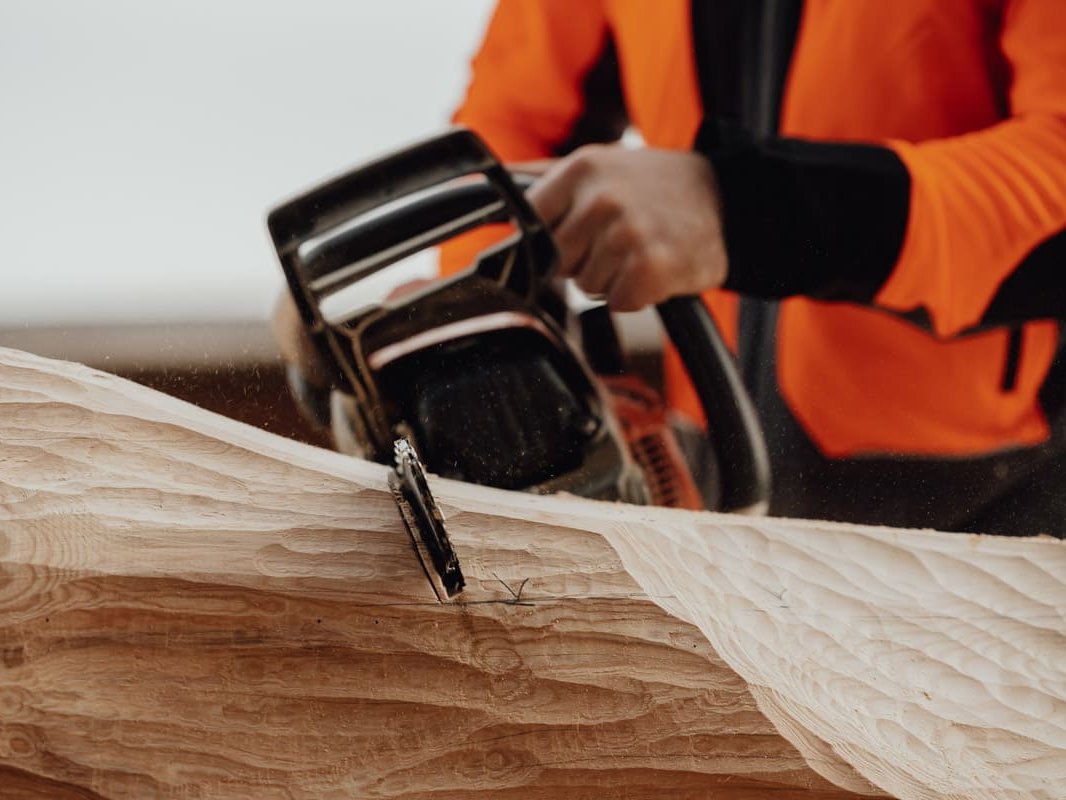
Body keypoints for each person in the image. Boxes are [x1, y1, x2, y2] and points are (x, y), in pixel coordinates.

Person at [277, 0, 1066, 537]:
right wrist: (466, 318)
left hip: (1010, 495)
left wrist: (738, 210)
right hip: (726, 468)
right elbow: (518, 121)